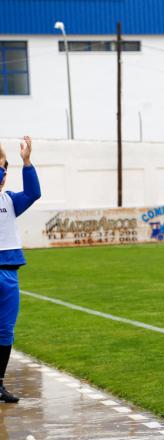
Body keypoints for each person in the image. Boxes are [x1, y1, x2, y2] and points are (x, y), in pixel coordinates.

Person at [0, 136, 41, 403]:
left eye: (4, 167)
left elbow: (33, 193)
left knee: (5, 330)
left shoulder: (10, 200)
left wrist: (27, 163)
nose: (2, 172)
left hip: (9, 271)